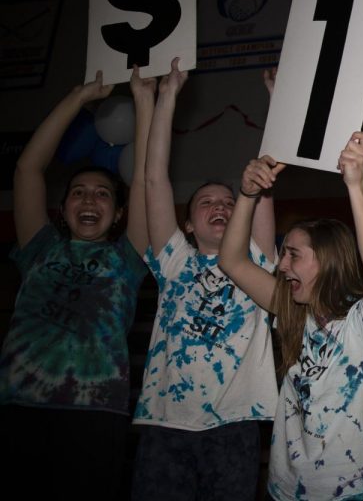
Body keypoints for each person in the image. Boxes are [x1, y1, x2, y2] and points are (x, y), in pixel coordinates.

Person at [219, 132, 363, 501]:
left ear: (327, 260)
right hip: (284, 492)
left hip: (352, 494)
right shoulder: (292, 312)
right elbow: (232, 261)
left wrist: (356, 185)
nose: (281, 265)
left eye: (293, 255)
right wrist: (247, 195)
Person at [0, 67, 153, 499]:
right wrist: (78, 98)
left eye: (103, 193)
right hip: (17, 408)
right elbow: (28, 168)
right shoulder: (39, 247)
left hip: (96, 414)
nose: (89, 199)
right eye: (79, 192)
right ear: (63, 207)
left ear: (118, 213)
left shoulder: (127, 258)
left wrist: (143, 104)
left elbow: (143, 179)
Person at [131, 60, 279, 500]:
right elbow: (153, 179)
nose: (219, 205)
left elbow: (265, 178)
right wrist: (169, 95)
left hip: (233, 426)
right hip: (165, 424)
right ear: (188, 226)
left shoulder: (255, 260)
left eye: (229, 201)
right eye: (206, 202)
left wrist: (277, 107)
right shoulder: (175, 261)